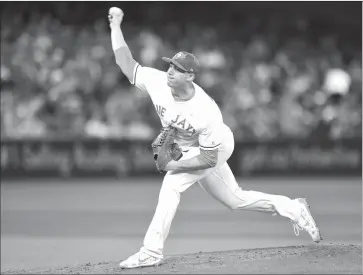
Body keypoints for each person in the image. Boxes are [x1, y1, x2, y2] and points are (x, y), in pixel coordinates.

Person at [108, 7, 322, 269]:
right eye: (170, 65)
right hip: (192, 147)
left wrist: (173, 165)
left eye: (178, 68)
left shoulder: (205, 111)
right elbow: (125, 62)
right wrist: (115, 26)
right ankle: (293, 208)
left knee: (172, 184)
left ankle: (151, 251)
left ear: (190, 76)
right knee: (235, 199)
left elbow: (209, 159)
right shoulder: (157, 81)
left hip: (217, 147)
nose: (171, 71)